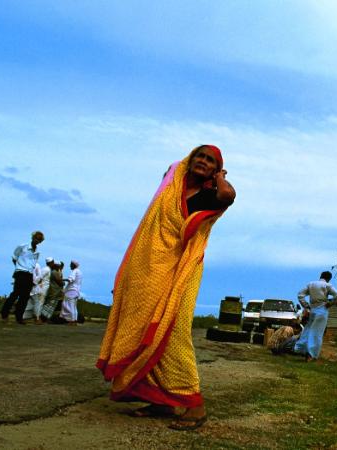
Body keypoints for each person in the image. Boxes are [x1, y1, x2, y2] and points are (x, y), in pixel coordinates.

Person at [97, 144, 235, 431]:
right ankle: (161, 401)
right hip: (150, 268)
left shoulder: (210, 194)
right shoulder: (170, 192)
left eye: (210, 161)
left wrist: (219, 176)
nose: (203, 162)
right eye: (199, 156)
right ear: (190, 160)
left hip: (182, 269)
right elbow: (168, 173)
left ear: (215, 169)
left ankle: (195, 406)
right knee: (146, 327)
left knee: (172, 332)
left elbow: (228, 196)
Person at [294, 271, 337, 362]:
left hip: (312, 309)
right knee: (317, 333)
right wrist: (330, 303)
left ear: (321, 276)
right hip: (322, 310)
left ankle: (301, 349)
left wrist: (306, 305)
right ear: (329, 279)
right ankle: (311, 354)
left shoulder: (311, 284)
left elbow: (300, 295)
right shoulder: (327, 285)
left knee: (308, 330)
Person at [1, 231, 45, 324]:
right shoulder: (23, 246)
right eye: (36, 238)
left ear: (40, 242)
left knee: (24, 297)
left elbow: (33, 264)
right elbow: (14, 257)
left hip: (29, 275)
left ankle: (19, 317)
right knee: (15, 294)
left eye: (39, 240)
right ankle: (4, 314)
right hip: (20, 273)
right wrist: (18, 267)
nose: (37, 240)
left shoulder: (37, 252)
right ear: (32, 237)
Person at [60, 260, 83, 325]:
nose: (70, 265)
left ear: (73, 265)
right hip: (76, 291)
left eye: (71, 264)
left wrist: (61, 279)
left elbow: (70, 279)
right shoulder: (80, 272)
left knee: (69, 306)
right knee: (73, 307)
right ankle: (74, 321)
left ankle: (71, 321)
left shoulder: (74, 271)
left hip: (71, 291)